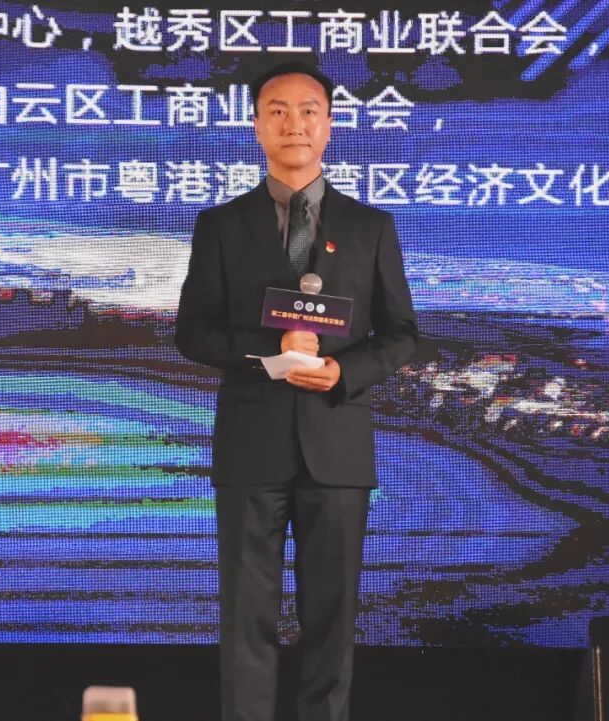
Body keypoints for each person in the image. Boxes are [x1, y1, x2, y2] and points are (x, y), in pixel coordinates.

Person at [174, 60, 418, 721]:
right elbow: (193, 332)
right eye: (277, 111)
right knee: (245, 618)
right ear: (257, 126)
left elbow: (402, 336)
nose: (294, 124)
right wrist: (266, 351)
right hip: (251, 445)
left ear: (330, 125)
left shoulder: (370, 227)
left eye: (308, 111)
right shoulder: (222, 224)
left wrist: (344, 372)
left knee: (332, 620)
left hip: (337, 447)